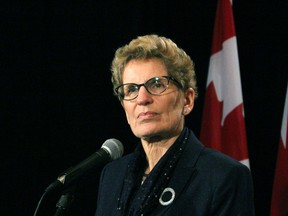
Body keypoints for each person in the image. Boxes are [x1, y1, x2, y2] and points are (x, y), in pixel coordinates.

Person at [95, 34, 255, 216]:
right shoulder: (112, 175)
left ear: (187, 100)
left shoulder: (223, 176)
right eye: (131, 89)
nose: (142, 99)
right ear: (125, 107)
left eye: (156, 84)